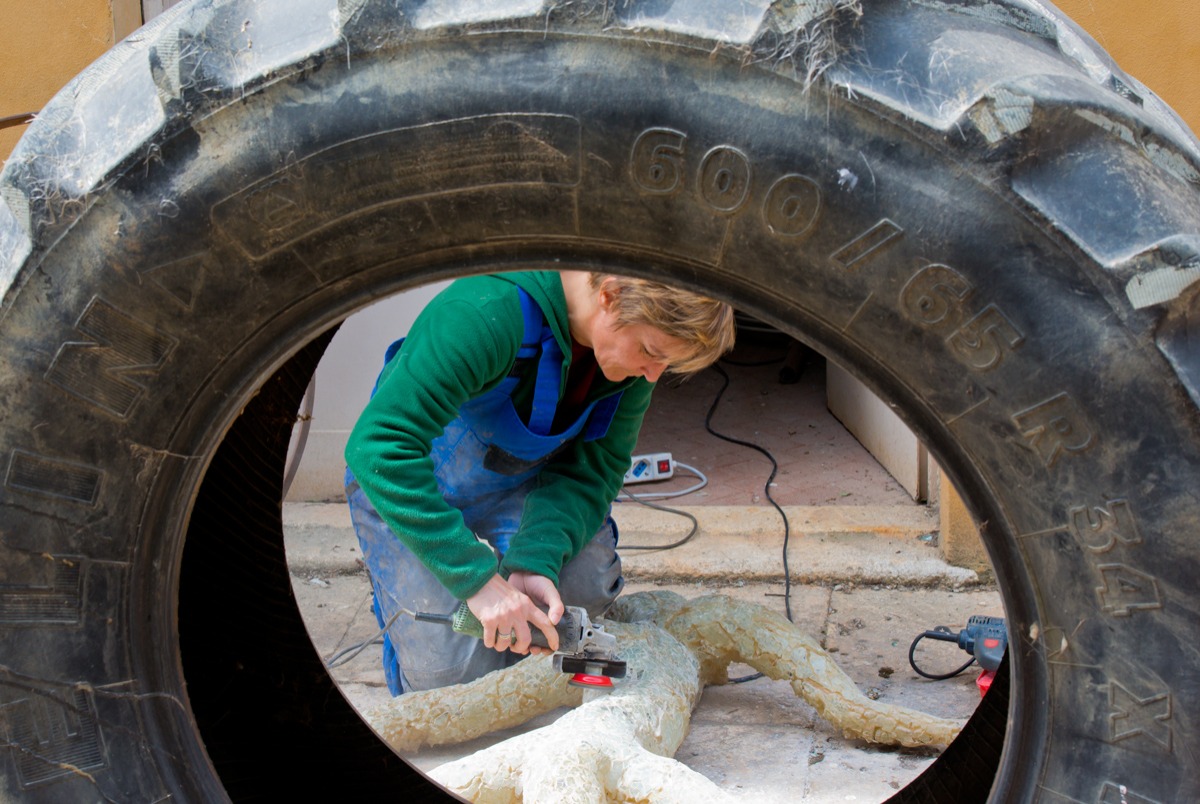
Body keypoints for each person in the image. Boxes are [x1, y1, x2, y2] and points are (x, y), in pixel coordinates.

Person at [343, 270, 734, 694]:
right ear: (610, 295)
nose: (654, 375)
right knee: (450, 678)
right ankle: (406, 608)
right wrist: (475, 579)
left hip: (514, 486)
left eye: (666, 363)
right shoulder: (485, 313)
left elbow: (595, 469)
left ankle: (493, 609)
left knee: (580, 595)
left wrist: (534, 559)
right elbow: (378, 448)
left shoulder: (634, 368)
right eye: (649, 351)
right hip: (408, 489)